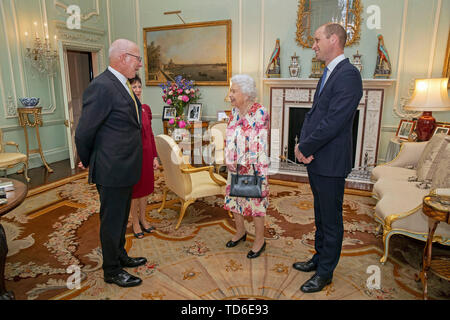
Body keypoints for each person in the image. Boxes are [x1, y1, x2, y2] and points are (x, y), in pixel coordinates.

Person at [293, 23, 363, 293]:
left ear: (333, 40)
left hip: (330, 161)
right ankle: (319, 258)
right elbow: (316, 114)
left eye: (316, 39)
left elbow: (334, 121)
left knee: (331, 219)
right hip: (318, 158)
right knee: (320, 215)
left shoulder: (348, 75)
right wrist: (302, 144)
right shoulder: (329, 72)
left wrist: (306, 147)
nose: (313, 45)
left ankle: (325, 273)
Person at [75, 39, 147, 288]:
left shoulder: (123, 84)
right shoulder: (102, 86)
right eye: (137, 58)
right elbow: (84, 131)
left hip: (125, 167)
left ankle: (120, 255)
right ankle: (112, 270)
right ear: (122, 58)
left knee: (119, 217)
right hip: (111, 168)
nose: (140, 63)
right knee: (112, 220)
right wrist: (89, 160)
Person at [224, 74, 270, 259]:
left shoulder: (260, 112)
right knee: (235, 201)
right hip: (236, 165)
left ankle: (259, 240)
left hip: (254, 167)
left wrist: (238, 158)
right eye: (231, 90)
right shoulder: (234, 112)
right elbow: (229, 137)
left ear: (246, 93)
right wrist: (229, 157)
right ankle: (240, 232)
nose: (231, 95)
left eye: (234, 91)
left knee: (255, 205)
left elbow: (257, 142)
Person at [128, 75, 159, 239]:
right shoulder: (126, 110)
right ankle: (134, 222)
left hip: (147, 155)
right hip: (133, 157)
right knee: (135, 192)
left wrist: (154, 156)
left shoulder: (146, 108)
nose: (138, 90)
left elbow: (151, 135)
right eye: (134, 87)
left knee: (146, 190)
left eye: (139, 87)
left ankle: (143, 219)